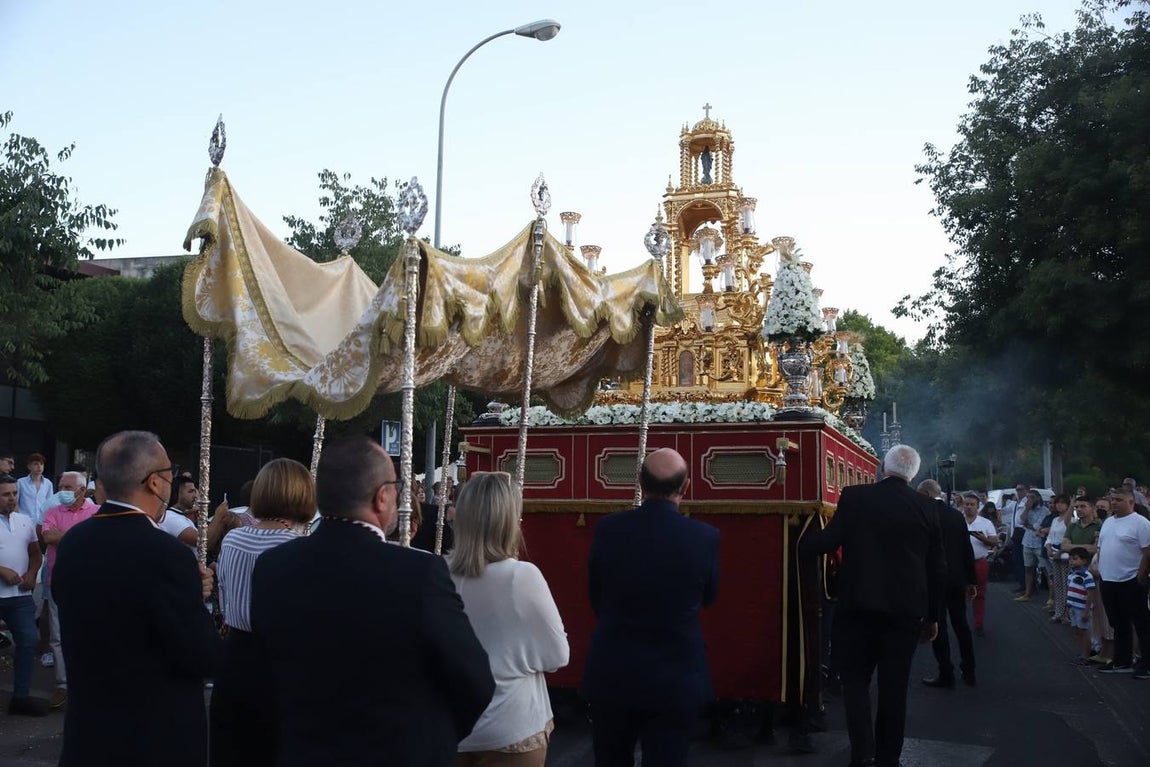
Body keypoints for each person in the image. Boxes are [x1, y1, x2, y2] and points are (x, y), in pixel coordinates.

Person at [249, 436, 494, 766]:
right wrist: (432, 737)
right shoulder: (419, 574)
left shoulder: (272, 568)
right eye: (397, 486)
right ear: (382, 497)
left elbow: (264, 676)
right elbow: (474, 679)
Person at [52, 431, 217, 766]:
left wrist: (186, 591)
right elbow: (201, 655)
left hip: (88, 735)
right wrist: (194, 599)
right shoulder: (166, 554)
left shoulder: (73, 542)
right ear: (155, 483)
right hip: (152, 739)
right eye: (171, 474)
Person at [800, 445, 945, 767]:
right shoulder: (927, 508)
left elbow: (826, 542)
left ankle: (862, 753)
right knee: (894, 689)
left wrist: (795, 534)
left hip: (858, 608)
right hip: (905, 613)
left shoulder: (855, 497)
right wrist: (933, 616)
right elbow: (937, 569)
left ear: (882, 467)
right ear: (914, 474)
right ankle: (888, 759)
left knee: (855, 683)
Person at [582, 448, 719, 767]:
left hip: (614, 672)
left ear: (640, 484)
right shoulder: (705, 537)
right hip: (676, 678)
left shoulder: (608, 529)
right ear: (685, 487)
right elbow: (710, 598)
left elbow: (595, 596)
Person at [449, 472, 569, 766]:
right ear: (508, 522)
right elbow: (558, 655)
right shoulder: (521, 576)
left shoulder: (437, 572)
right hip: (511, 726)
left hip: (452, 724)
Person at [210, 458, 315, 767]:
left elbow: (226, 592)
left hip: (233, 655)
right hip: (280, 664)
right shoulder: (298, 547)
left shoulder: (233, 539)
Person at [39, 470, 98, 709]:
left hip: (89, 583)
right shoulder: (53, 512)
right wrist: (79, 536)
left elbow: (96, 540)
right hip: (58, 581)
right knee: (58, 636)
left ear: (82, 490)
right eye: (60, 486)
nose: (62, 491)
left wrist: (65, 537)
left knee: (90, 634)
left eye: (67, 487)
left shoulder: (95, 512)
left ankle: (88, 684)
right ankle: (63, 686)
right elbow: (48, 536)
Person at [916, 481, 976, 688]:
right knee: (961, 625)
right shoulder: (956, 515)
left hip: (933, 580)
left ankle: (946, 673)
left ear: (925, 493)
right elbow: (966, 549)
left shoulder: (923, 515)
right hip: (957, 579)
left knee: (937, 625)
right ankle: (970, 671)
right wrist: (971, 580)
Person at [0, 473, 47, 716]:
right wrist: (1, 570)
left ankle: (20, 697)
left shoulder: (25, 520)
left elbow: (35, 553)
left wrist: (31, 573)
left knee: (28, 641)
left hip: (19, 597)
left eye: (14, 493)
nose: (12, 498)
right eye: (6, 494)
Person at [1094, 485, 1150, 677]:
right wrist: (1102, 571)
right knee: (1118, 623)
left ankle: (1146, 664)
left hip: (1131, 580)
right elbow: (1101, 548)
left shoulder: (1140, 523)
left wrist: (1139, 579)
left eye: (1118, 500)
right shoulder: (1108, 522)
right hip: (1108, 580)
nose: (1113, 503)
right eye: (1112, 500)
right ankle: (1122, 661)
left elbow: (1147, 553)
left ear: (1131, 502)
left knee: (1142, 624)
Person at [964, 493, 998, 637]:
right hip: (961, 563)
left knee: (980, 594)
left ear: (978, 507)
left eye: (972, 505)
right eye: (967, 504)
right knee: (960, 594)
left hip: (979, 562)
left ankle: (978, 624)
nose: (969, 507)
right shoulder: (957, 520)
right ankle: (962, 623)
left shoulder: (985, 523)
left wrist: (982, 538)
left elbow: (994, 541)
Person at [1066, 548, 1098, 665]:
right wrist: (1068, 605)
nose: (1072, 561)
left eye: (1075, 559)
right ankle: (1082, 653)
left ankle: (1086, 656)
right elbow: (1070, 590)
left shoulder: (1086, 575)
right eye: (1070, 559)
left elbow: (1091, 592)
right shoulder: (1071, 574)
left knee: (1084, 631)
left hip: (1081, 608)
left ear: (1084, 561)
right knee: (1078, 631)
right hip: (1073, 607)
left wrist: (1086, 610)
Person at [1045, 494, 1073, 624]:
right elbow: (1050, 537)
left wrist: (1060, 551)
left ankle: (1067, 614)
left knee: (1066, 584)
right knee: (1057, 584)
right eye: (1057, 503)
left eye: (1062, 503)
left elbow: (1068, 539)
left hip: (1065, 555)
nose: (1059, 505)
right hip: (1054, 554)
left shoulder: (1072, 521)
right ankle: (1059, 612)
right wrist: (1048, 547)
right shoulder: (1055, 520)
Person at [1015, 490, 1048, 602]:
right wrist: (1027, 509)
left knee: (1045, 569)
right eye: (1028, 497)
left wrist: (1028, 525)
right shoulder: (1027, 509)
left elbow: (1037, 526)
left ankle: (1052, 597)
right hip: (1027, 541)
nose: (1029, 500)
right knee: (1028, 568)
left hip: (1039, 543)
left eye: (1032, 497)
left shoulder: (1044, 511)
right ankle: (1028, 593)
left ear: (1038, 498)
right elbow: (1021, 521)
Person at [16, 453, 53, 524]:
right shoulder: (20, 482)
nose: (39, 466)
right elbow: (15, 502)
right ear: (29, 466)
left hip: (41, 522)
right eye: (36, 464)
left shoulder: (48, 483)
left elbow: (50, 504)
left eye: (41, 464)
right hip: (24, 521)